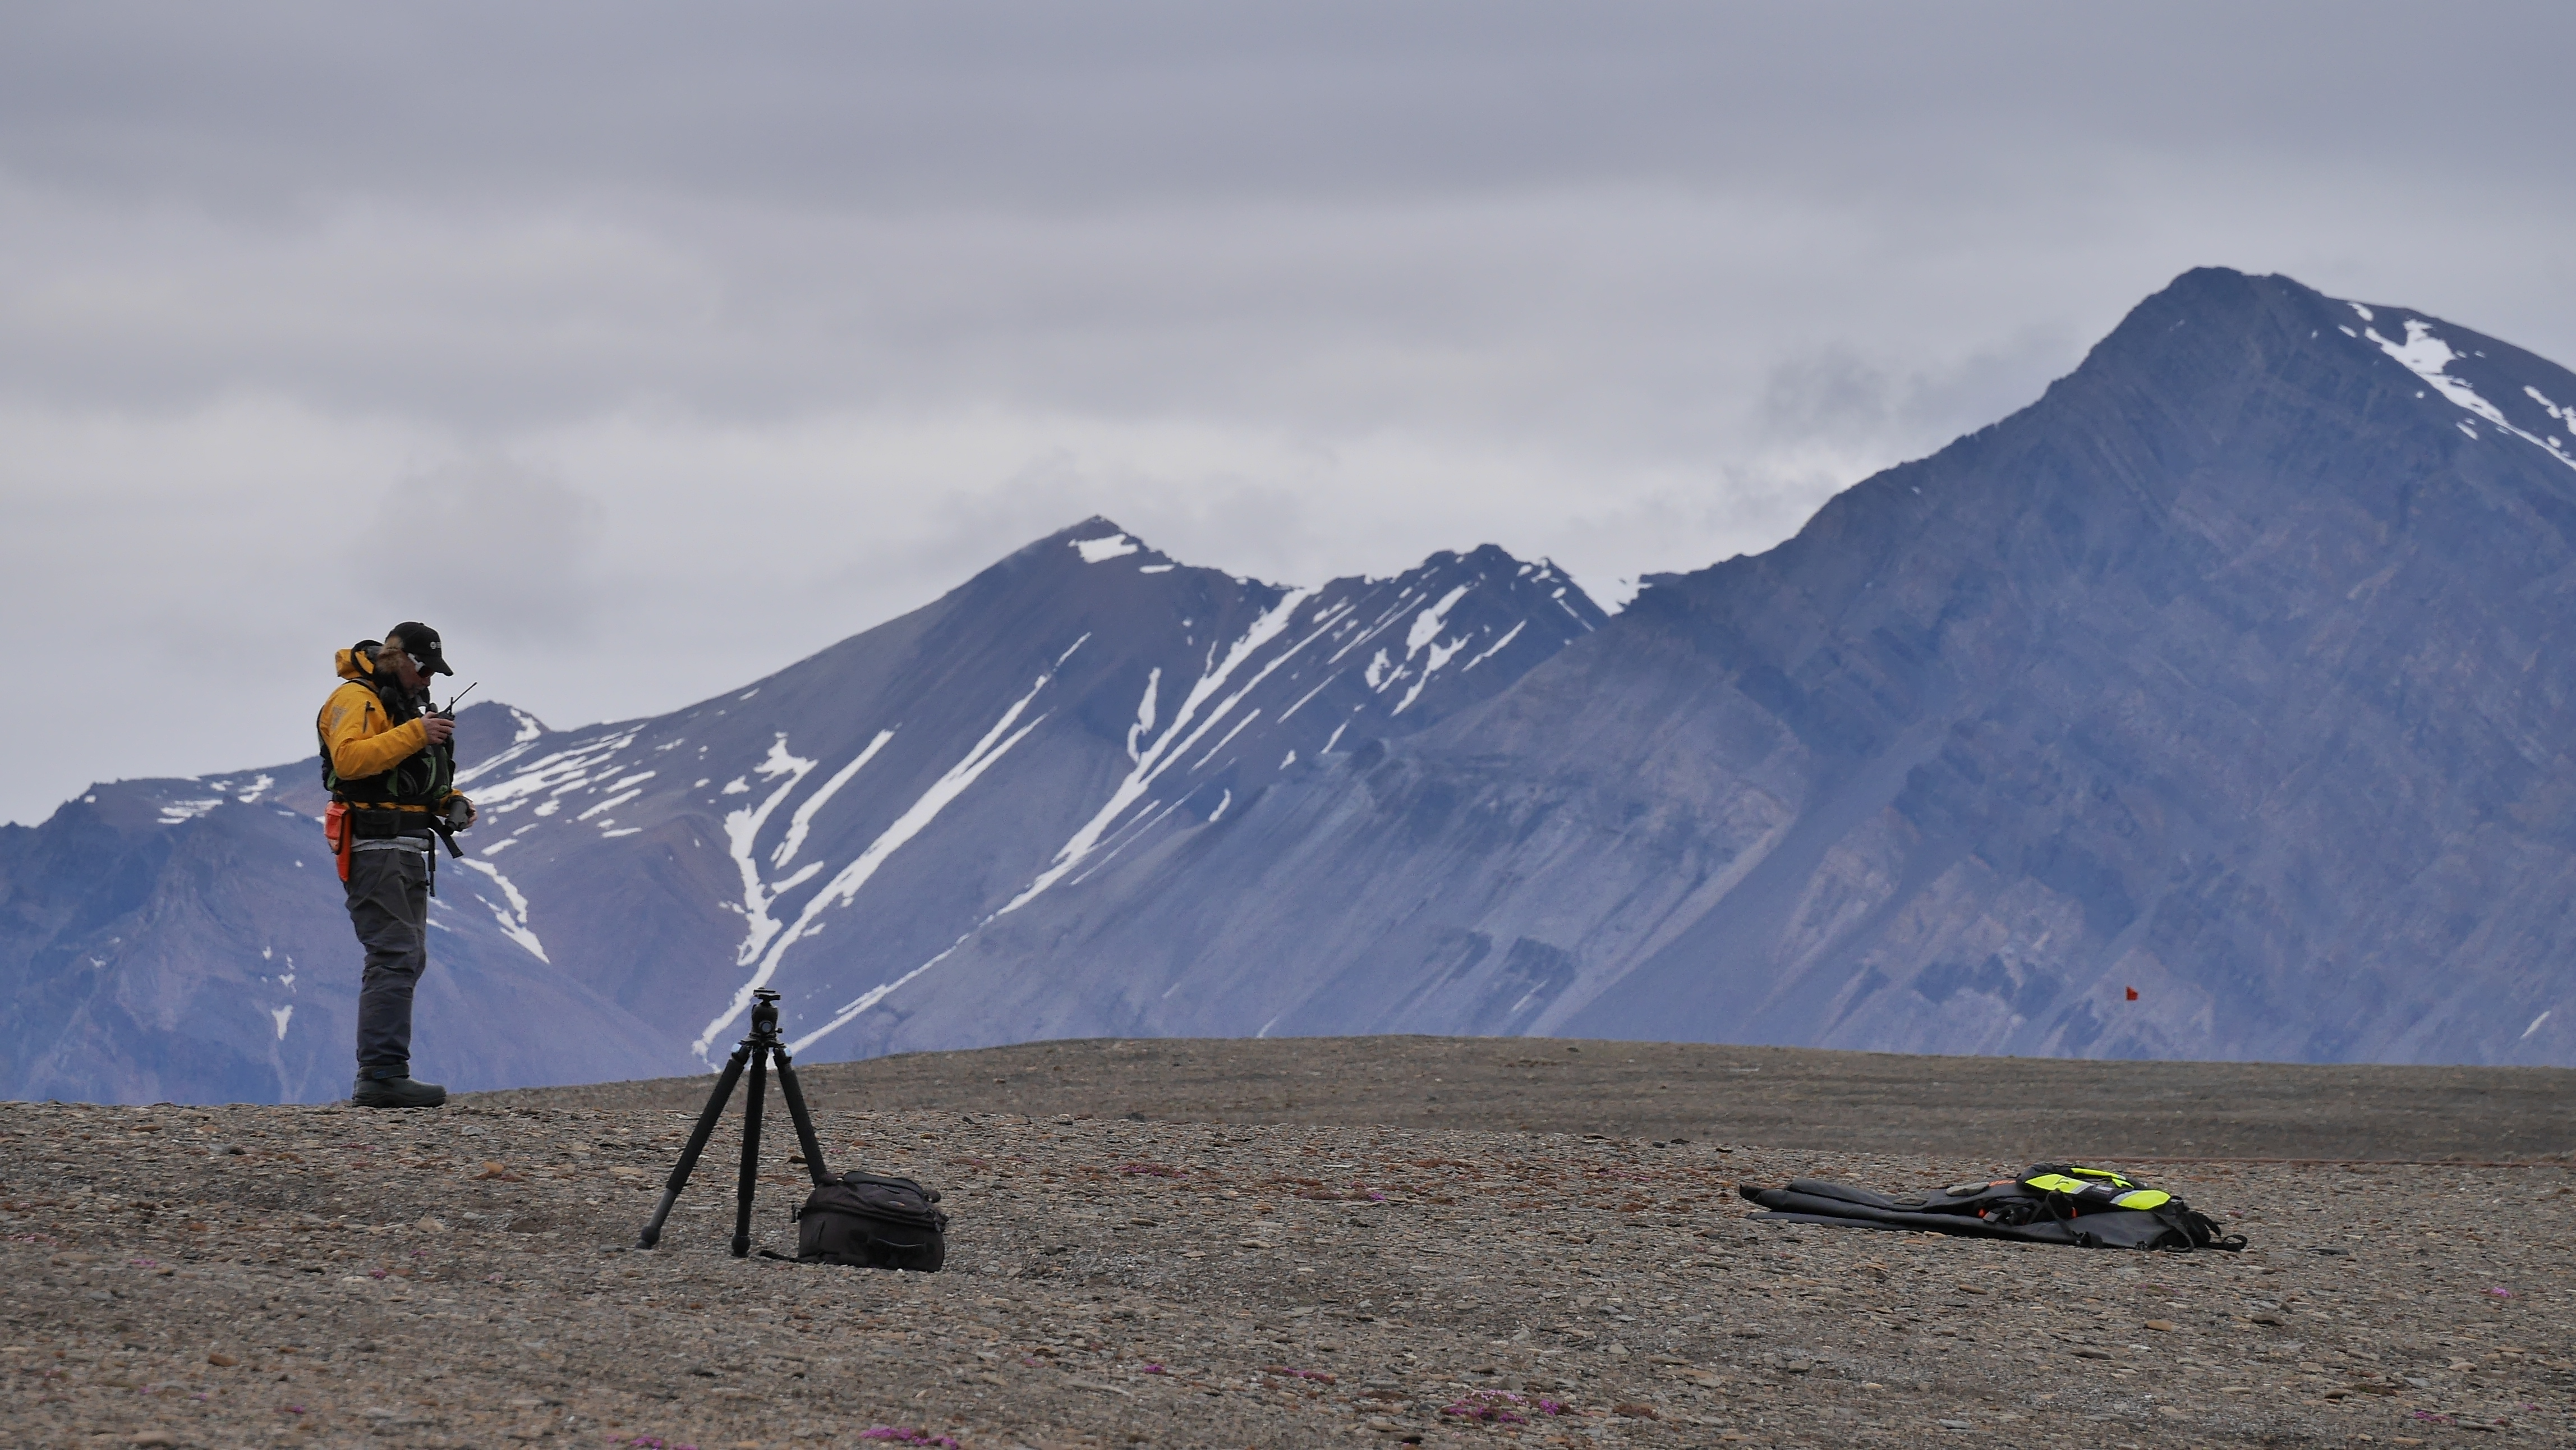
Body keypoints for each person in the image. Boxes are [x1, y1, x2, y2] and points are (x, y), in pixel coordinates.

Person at [316, 622, 476, 1108]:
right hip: (373, 845)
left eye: (435, 673)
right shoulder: (355, 699)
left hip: (406, 847)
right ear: (398, 659)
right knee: (394, 953)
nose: (429, 680)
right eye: (424, 668)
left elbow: (410, 779)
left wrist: (451, 801)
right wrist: (415, 733)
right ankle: (382, 1074)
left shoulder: (403, 708)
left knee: (407, 955)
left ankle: (385, 1071)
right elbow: (348, 761)